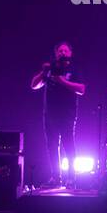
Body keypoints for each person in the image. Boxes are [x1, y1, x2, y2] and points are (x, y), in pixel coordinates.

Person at [30, 42, 85, 186]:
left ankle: (71, 177)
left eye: (65, 50)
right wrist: (43, 72)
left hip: (67, 113)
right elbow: (34, 85)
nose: (62, 53)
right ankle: (55, 177)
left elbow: (81, 89)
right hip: (49, 113)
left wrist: (62, 81)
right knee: (52, 145)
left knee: (68, 144)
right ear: (56, 53)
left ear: (70, 53)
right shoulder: (51, 68)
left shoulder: (74, 69)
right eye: (60, 51)